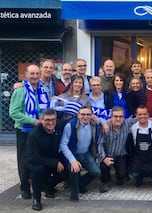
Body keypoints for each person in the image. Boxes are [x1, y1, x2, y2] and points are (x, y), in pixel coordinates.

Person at [9, 64, 50, 200]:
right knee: (24, 159)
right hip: (24, 130)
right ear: (26, 75)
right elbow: (13, 112)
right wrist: (33, 121)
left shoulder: (43, 89)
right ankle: (25, 187)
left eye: (37, 73)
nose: (35, 76)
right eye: (32, 74)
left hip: (40, 130)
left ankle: (40, 184)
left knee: (39, 157)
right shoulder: (20, 91)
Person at [60, 106, 104, 201]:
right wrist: (72, 160)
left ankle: (80, 185)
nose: (85, 116)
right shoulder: (70, 125)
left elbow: (104, 122)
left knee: (96, 172)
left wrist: (104, 123)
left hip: (85, 153)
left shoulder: (93, 124)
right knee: (75, 169)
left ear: (91, 115)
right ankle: (74, 193)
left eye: (88, 114)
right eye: (83, 114)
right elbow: (63, 145)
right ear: (78, 115)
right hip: (72, 153)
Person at [26, 109, 66, 211]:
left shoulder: (59, 126)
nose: (51, 122)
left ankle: (48, 187)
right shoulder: (34, 134)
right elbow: (33, 157)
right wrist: (54, 162)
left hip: (54, 159)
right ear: (41, 120)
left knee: (68, 169)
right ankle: (36, 199)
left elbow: (76, 120)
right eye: (47, 120)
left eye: (53, 119)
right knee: (38, 171)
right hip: (38, 162)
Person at [97, 106, 136, 193]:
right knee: (103, 166)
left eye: (120, 116)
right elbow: (100, 144)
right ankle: (106, 181)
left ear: (124, 117)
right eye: (115, 116)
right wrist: (103, 157)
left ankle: (120, 177)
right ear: (111, 117)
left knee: (122, 175)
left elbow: (142, 118)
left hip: (120, 155)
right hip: (107, 155)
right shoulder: (105, 127)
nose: (118, 119)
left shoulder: (128, 123)